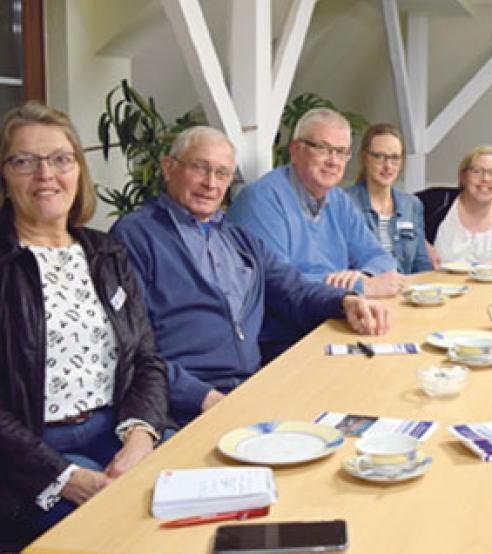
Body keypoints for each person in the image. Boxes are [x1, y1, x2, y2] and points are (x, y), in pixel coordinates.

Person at [112, 126, 389, 426]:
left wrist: (346, 301)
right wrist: (203, 397)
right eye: (200, 168)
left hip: (251, 389)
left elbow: (294, 289)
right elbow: (133, 349)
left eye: (222, 174)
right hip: (181, 407)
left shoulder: (239, 240)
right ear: (169, 168)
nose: (210, 184)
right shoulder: (136, 236)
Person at [0, 102, 168, 546]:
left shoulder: (105, 253)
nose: (45, 175)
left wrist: (139, 439)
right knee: (122, 536)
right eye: (24, 161)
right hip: (32, 456)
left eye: (60, 159)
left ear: (78, 169)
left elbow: (148, 360)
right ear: (4, 175)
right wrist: (66, 477)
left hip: (115, 430)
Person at [227, 108, 404, 297]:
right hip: (288, 324)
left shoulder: (340, 201)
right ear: (295, 150)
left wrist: (364, 275)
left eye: (341, 152)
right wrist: (357, 287)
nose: (334, 161)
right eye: (323, 148)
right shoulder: (261, 200)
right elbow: (276, 284)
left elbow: (381, 258)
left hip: (334, 312)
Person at [417, 145, 492, 267]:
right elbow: (397, 213)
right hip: (429, 284)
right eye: (477, 171)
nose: (485, 179)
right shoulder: (434, 201)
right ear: (463, 176)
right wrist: (421, 243)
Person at [344, 124, 431, 274]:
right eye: (379, 156)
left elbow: (421, 264)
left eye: (394, 158)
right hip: (364, 292)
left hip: (407, 293)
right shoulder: (344, 203)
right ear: (364, 157)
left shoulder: (412, 205)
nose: (388, 166)